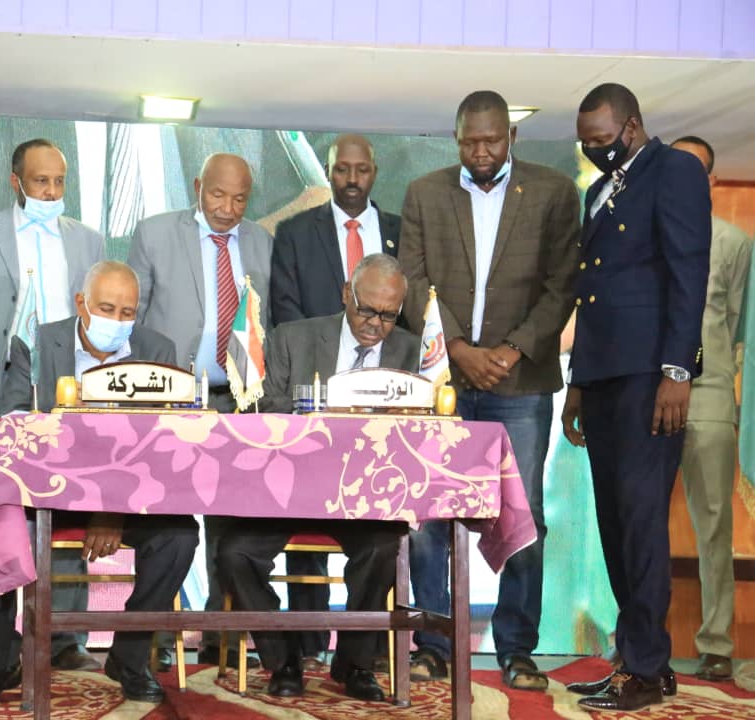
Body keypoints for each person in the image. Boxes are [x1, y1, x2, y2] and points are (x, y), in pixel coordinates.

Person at [398, 90, 581, 690]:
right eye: (470, 141)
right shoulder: (424, 193)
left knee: (522, 514)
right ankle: (432, 644)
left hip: (519, 381)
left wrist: (509, 351)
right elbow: (414, 280)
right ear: (456, 139)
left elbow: (562, 284)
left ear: (512, 137)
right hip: (442, 382)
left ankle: (517, 649)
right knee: (428, 511)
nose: (481, 151)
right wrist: (458, 350)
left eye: (492, 140)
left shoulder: (553, 191)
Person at [0, 261, 198, 706]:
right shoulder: (39, 345)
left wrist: (111, 511)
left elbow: (163, 448)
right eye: (106, 309)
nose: (117, 321)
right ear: (81, 304)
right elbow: (9, 424)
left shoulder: (156, 350)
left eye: (128, 312)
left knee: (179, 536)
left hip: (128, 498)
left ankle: (129, 656)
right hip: (50, 492)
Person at [562, 83, 711, 711]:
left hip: (651, 377)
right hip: (603, 377)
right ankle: (641, 659)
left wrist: (679, 371)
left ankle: (645, 669)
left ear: (631, 126)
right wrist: (578, 382)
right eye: (585, 143)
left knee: (643, 522)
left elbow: (688, 271)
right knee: (616, 522)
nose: (594, 151)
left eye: (602, 140)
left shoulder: (673, 170)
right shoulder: (600, 189)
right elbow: (592, 293)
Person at [218, 253, 416, 701]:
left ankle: (354, 663)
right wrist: (319, 418)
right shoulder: (294, 338)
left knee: (385, 547)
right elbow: (264, 410)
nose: (375, 324)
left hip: (363, 494)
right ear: (347, 294)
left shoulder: (411, 351)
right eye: (366, 310)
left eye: (388, 315)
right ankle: (283, 658)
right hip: (288, 489)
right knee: (234, 553)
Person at [0, 138, 105, 673]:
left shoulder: (88, 240)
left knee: (68, 506)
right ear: (16, 182)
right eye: (41, 181)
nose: (52, 192)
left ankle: (64, 638)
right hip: (2, 383)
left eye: (59, 182)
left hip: (66, 389)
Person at [127, 152, 272, 666]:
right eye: (217, 195)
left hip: (239, 402)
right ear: (197, 186)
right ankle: (155, 638)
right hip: (170, 401)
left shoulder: (262, 243)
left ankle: (219, 636)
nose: (228, 209)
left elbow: (269, 324)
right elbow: (133, 324)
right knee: (164, 523)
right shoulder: (154, 234)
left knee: (229, 526)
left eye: (239, 199)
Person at [267, 134, 401, 667]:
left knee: (381, 543)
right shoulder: (297, 232)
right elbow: (286, 311)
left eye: (361, 169)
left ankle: (359, 656)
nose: (351, 178)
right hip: (308, 402)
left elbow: (402, 318)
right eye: (341, 168)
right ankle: (305, 645)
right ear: (328, 171)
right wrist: (314, 368)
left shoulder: (399, 230)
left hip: (375, 429)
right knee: (294, 533)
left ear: (375, 172)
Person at [670, 136, 750, 682]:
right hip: (648, 398)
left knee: (715, 523)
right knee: (637, 523)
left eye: (693, 170)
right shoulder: (647, 239)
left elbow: (739, 328)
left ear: (711, 181)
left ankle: (717, 642)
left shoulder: (735, 243)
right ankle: (637, 640)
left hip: (711, 395)